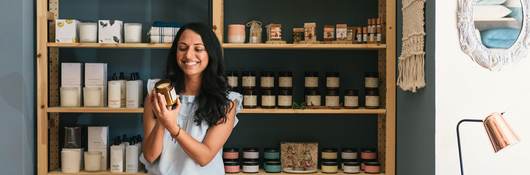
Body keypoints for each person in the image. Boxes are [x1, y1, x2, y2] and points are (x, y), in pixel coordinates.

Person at [139, 23, 242, 175]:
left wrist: (173, 127)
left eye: (198, 49)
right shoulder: (157, 93)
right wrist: (162, 120)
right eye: (182, 48)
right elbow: (150, 156)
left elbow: (204, 157)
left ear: (211, 54)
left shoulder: (226, 102)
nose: (188, 55)